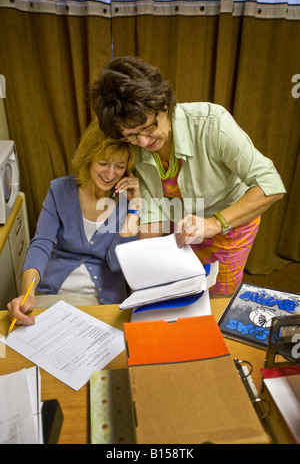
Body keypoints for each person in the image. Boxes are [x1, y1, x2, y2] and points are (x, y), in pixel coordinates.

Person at [90, 56, 286, 296]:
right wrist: (145, 266)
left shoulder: (211, 123)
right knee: (181, 292)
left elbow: (271, 186)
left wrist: (215, 224)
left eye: (148, 127)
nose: (142, 141)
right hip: (183, 227)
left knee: (217, 297)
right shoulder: (135, 146)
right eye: (130, 135)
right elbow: (153, 209)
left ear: (163, 105)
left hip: (228, 225)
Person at [7, 119, 141, 325]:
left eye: (120, 167)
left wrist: (134, 210)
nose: (110, 174)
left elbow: (117, 264)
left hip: (102, 303)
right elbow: (41, 245)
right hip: (51, 295)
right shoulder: (59, 190)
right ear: (89, 159)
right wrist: (27, 294)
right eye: (103, 163)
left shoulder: (126, 202)